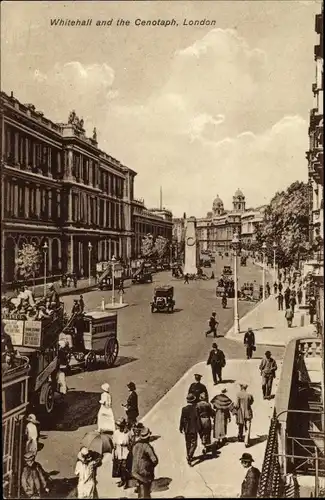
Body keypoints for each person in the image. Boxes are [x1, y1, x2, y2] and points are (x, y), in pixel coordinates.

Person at [131, 427, 158, 499]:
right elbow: (154, 460)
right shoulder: (147, 447)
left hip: (136, 472)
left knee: (141, 490)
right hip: (145, 473)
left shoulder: (135, 446)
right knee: (146, 493)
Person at [179, 393, 201, 466]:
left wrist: (181, 427)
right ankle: (189, 456)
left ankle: (188, 454)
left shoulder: (184, 409)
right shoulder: (195, 408)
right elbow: (198, 419)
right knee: (194, 444)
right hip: (193, 428)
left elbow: (182, 419)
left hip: (187, 428)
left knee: (187, 443)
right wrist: (199, 428)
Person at [112, 418, 131, 489]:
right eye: (118, 426)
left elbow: (130, 441)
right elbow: (114, 442)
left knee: (125, 467)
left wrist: (125, 444)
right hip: (118, 451)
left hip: (126, 451)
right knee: (119, 467)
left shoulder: (128, 433)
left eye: (120, 426)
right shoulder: (116, 433)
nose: (119, 427)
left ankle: (126, 482)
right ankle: (122, 480)